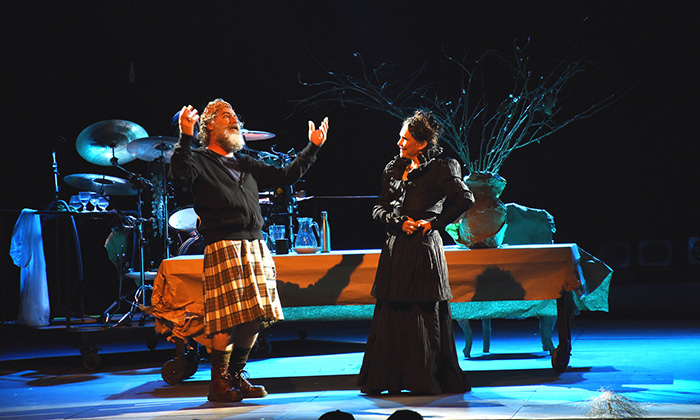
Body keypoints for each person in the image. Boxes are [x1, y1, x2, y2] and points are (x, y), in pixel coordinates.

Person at [170, 98, 329, 402]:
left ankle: (234, 375)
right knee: (227, 318)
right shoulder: (199, 159)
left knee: (256, 315)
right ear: (209, 126)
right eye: (226, 116)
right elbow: (180, 176)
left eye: (235, 117)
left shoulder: (246, 162)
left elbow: (285, 176)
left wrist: (312, 147)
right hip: (224, 243)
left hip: (255, 243)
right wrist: (184, 136)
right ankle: (217, 382)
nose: (235, 121)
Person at [357, 109, 474, 395]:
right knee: (392, 311)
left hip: (423, 250)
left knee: (421, 312)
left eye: (406, 139)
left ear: (421, 143)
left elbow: (465, 198)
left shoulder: (443, 167)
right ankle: (390, 379)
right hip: (395, 249)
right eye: (400, 137)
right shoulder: (393, 168)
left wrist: (434, 223)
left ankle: (424, 378)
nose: (399, 143)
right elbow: (378, 207)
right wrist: (397, 221)